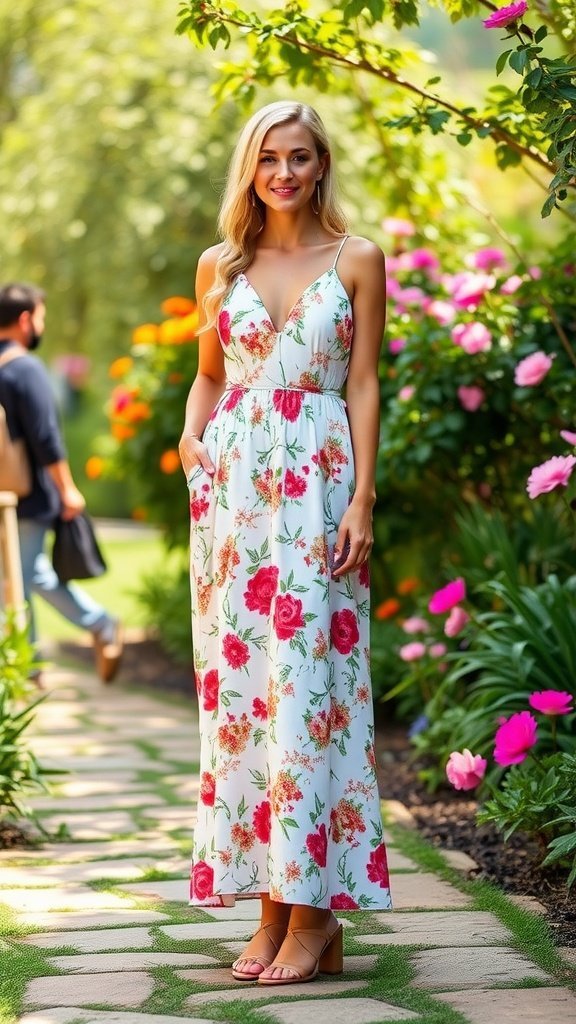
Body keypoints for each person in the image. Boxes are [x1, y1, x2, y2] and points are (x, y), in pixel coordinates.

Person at [179, 100, 391, 987]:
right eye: (269, 158)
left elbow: (365, 383)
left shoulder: (357, 259)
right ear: (251, 168)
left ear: (321, 164)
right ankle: (275, 912)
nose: (285, 173)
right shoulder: (219, 264)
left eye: (300, 156)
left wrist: (363, 499)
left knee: (310, 696)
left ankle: (314, 914)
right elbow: (208, 378)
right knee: (248, 700)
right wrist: (190, 438)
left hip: (318, 495)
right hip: (233, 508)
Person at [0, 283, 123, 683]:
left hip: (15, 498)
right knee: (23, 578)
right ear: (25, 320)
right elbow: (46, 436)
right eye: (41, 318)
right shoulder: (25, 368)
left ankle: (28, 668)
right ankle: (94, 627)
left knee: (18, 579)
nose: (41, 326)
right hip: (28, 496)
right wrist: (67, 487)